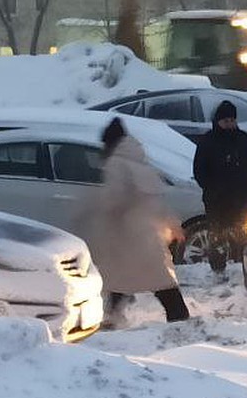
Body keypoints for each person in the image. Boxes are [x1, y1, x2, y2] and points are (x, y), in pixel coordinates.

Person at [80, 118, 190, 326]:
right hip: (148, 230)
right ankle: (175, 314)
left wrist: (97, 208)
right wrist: (172, 223)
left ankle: (177, 316)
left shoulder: (116, 163)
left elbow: (115, 197)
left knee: (130, 275)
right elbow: (156, 199)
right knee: (146, 276)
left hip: (129, 231)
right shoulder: (140, 162)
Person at [193, 99, 247, 274]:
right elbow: (199, 170)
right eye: (225, 121)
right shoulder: (208, 142)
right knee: (218, 236)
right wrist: (213, 189)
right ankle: (218, 268)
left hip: (241, 198)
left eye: (232, 120)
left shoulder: (243, 140)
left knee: (243, 235)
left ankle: (245, 268)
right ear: (218, 122)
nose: (229, 124)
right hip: (217, 200)